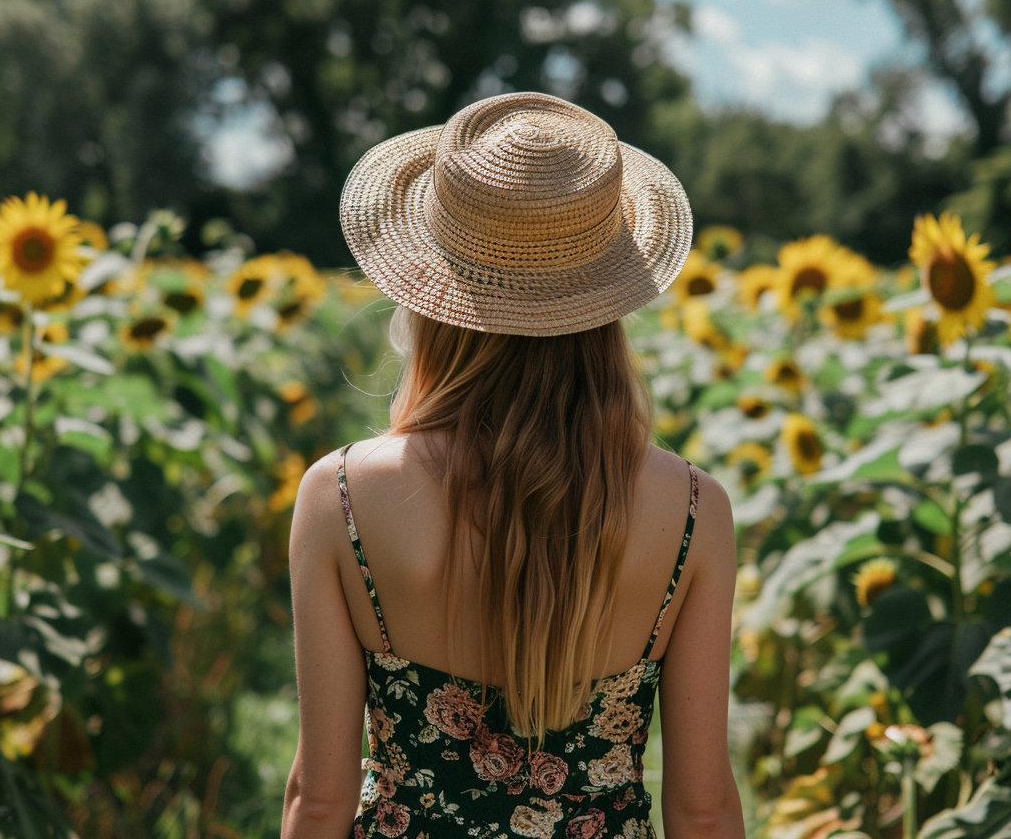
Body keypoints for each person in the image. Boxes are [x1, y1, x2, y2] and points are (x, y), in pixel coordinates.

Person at [282, 92, 742, 839]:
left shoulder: (340, 496)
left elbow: (319, 800)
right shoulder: (692, 510)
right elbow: (703, 808)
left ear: (428, 292)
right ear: (606, 303)